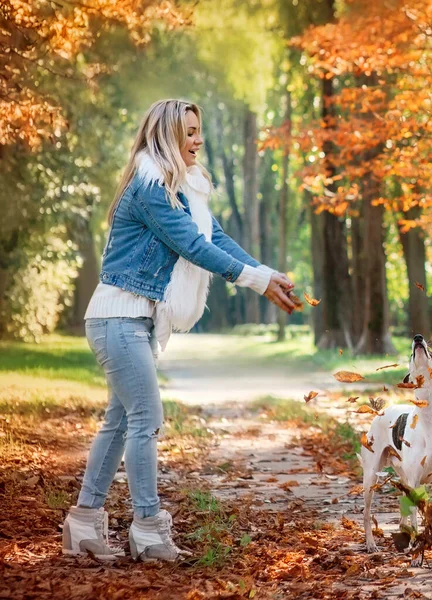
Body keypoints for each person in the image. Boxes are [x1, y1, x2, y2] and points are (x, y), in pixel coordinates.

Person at [62, 99, 296, 562]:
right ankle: (147, 528)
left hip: (133, 318)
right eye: (189, 132)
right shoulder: (150, 186)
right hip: (117, 317)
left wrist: (264, 274)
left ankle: (83, 523)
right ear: (166, 136)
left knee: (122, 421)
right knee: (147, 418)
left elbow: (214, 238)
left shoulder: (184, 187)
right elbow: (190, 245)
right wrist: (255, 280)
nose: (198, 140)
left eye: (198, 131)